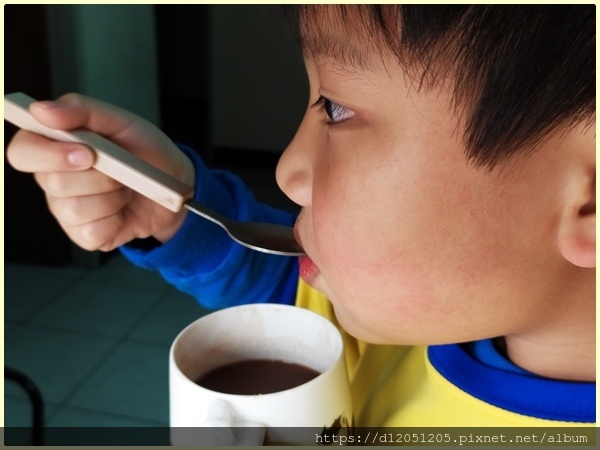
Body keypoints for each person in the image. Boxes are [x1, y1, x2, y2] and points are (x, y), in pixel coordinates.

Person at [6, 5, 595, 427]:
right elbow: (300, 292)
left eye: (336, 109)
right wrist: (176, 212)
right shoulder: (424, 315)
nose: (288, 167)